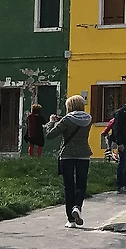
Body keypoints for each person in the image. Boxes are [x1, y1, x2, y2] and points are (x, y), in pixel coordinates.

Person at [46, 95, 93, 228]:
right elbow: (77, 123)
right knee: (81, 184)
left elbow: (50, 134)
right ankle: (77, 207)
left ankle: (70, 220)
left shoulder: (67, 120)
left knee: (69, 186)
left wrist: (51, 122)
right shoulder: (88, 119)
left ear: (69, 106)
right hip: (84, 155)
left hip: (67, 155)